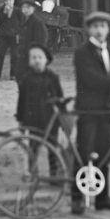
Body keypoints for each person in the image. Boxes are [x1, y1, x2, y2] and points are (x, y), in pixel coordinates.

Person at [71, 11, 110, 215]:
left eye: (103, 26)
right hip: (88, 109)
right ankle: (77, 198)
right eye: (95, 26)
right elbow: (91, 79)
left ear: (108, 29)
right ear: (89, 29)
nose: (99, 30)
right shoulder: (82, 53)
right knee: (84, 153)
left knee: (104, 152)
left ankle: (102, 198)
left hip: (107, 109)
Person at [15, 44, 64, 177]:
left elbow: (60, 97)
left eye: (40, 57)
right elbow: (22, 101)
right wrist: (20, 120)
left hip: (50, 119)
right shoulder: (26, 79)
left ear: (46, 60)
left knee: (53, 148)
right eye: (34, 57)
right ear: (30, 61)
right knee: (33, 148)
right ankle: (33, 173)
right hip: (33, 120)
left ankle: (54, 174)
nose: (37, 60)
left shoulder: (53, 77)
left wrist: (63, 116)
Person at [16, 0, 49, 77]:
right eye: (23, 7)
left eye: (28, 7)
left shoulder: (37, 22)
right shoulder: (23, 20)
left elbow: (41, 39)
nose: (25, 10)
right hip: (23, 53)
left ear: (33, 9)